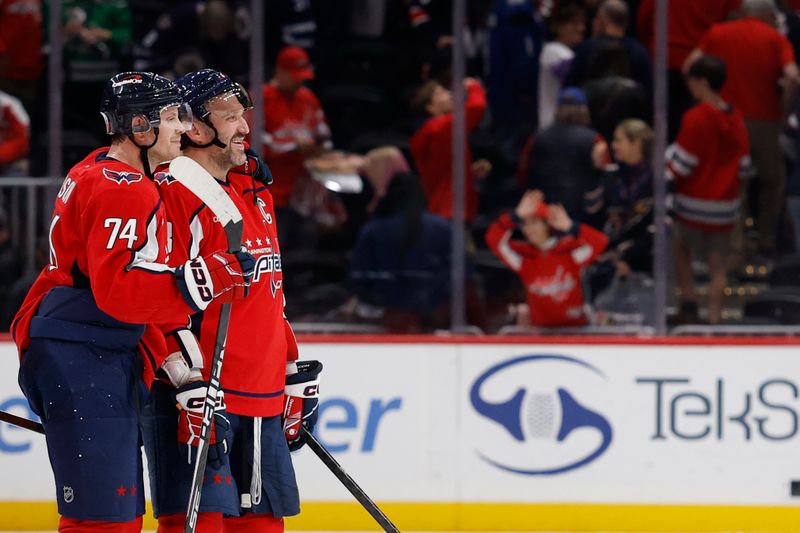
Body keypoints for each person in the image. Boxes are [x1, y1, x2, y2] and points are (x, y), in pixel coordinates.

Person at [11, 71, 255, 532]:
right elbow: (120, 294)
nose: (182, 128)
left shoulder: (102, 170)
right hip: (81, 353)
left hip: (87, 346)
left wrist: (178, 367)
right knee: (104, 521)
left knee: (116, 514)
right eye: (170, 118)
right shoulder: (123, 189)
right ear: (140, 128)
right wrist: (199, 280)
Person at [143, 69, 320, 533]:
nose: (245, 128)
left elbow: (270, 292)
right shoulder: (170, 192)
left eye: (244, 116)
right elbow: (154, 299)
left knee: (263, 527)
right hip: (203, 395)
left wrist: (287, 366)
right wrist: (182, 377)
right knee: (200, 524)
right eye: (230, 117)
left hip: (261, 393)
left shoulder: (254, 191)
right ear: (196, 128)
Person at [685, 0, 799, 258]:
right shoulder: (776, 39)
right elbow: (792, 76)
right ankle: (766, 242)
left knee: (734, 186)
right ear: (768, 15)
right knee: (773, 181)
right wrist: (784, 109)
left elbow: (689, 66)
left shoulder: (717, 33)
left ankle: (732, 252)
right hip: (765, 122)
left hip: (724, 122)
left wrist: (705, 101)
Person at [668, 55, 752, 324]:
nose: (690, 88)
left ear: (702, 81)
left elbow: (681, 165)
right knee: (718, 265)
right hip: (725, 206)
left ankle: (689, 304)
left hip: (692, 202)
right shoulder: (736, 118)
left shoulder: (696, 117)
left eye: (692, 82)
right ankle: (715, 316)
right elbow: (745, 167)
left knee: (681, 250)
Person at [485, 189, 609, 328]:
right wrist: (515, 216)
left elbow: (601, 241)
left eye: (534, 223)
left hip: (576, 329)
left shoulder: (568, 250)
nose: (528, 229)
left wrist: (570, 226)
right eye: (525, 224)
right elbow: (493, 239)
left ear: (548, 225)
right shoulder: (523, 256)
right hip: (541, 333)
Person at [261, 45, 332, 250]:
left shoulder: (308, 98)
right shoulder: (262, 98)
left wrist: (319, 145)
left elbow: (324, 134)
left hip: (305, 194)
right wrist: (294, 145)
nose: (300, 81)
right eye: (295, 76)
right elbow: (256, 143)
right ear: (280, 71)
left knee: (306, 252)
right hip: (273, 195)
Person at [409, 76, 488, 223]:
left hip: (449, 211)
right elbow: (476, 107)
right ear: (430, 107)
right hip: (449, 213)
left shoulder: (438, 131)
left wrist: (469, 173)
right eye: (441, 93)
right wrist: (474, 86)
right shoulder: (438, 128)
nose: (450, 94)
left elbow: (442, 169)